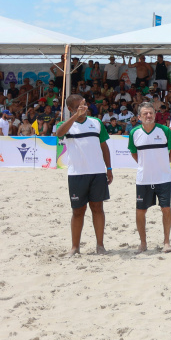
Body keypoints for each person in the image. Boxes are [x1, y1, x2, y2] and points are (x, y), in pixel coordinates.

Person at [57, 94, 113, 256]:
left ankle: (100, 246)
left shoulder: (96, 123)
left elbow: (104, 147)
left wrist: (109, 168)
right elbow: (59, 134)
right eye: (80, 106)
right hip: (77, 174)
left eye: (85, 105)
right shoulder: (66, 124)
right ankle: (75, 247)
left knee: (98, 208)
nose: (84, 108)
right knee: (77, 211)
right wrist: (75, 116)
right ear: (70, 109)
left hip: (97, 173)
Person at [128, 102, 171, 253]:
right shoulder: (134, 133)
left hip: (163, 177)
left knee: (166, 209)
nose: (148, 116)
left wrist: (164, 163)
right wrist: (144, 164)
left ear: (155, 114)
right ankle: (143, 243)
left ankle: (166, 241)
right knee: (140, 211)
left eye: (151, 113)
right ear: (139, 117)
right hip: (143, 178)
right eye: (145, 114)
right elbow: (133, 152)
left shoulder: (164, 130)